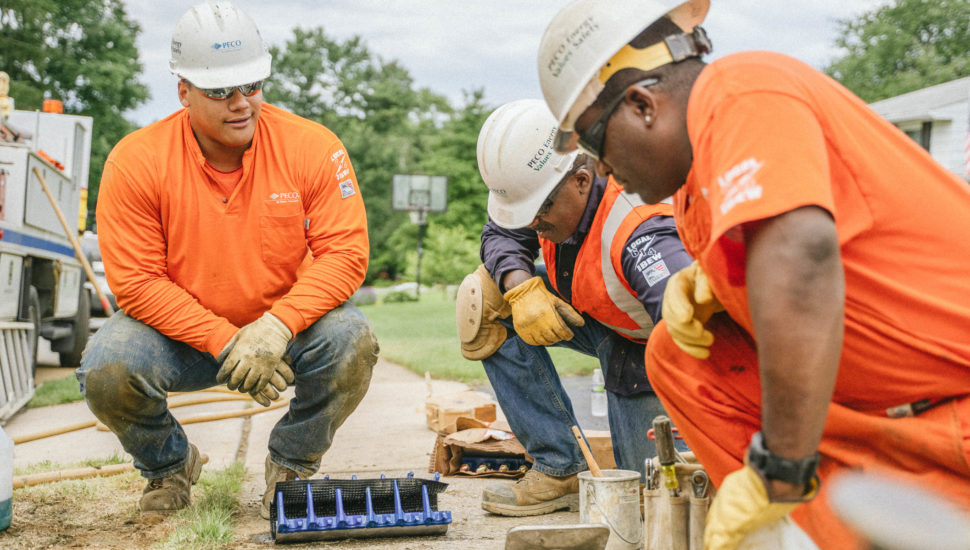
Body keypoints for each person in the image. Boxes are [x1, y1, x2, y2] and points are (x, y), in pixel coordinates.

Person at [537, 0, 970, 548]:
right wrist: (722, 280)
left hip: (951, 401)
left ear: (642, 104)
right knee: (677, 354)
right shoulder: (696, 203)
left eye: (594, 143)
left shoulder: (741, 91)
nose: (599, 168)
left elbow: (803, 254)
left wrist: (778, 469)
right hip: (895, 429)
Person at [77, 1, 379, 519]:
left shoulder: (312, 147)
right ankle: (169, 466)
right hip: (180, 340)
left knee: (352, 341)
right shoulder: (137, 160)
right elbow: (138, 283)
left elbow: (346, 254)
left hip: (284, 334)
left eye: (253, 86)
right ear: (184, 91)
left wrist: (277, 326)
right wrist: (228, 341)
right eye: (220, 91)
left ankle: (291, 466)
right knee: (106, 366)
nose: (241, 103)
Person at [457, 99, 693, 516]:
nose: (530, 223)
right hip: (604, 315)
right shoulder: (552, 192)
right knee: (484, 299)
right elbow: (501, 231)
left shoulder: (643, 233)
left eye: (537, 211)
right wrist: (519, 286)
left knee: (659, 502)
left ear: (581, 180)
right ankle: (559, 467)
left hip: (648, 347)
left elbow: (694, 342)